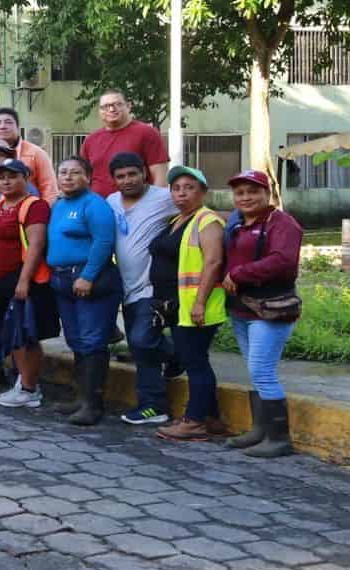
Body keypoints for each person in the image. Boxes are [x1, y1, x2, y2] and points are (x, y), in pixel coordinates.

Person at [220, 169, 302, 458]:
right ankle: (260, 431)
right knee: (255, 372)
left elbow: (283, 261)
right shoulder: (237, 222)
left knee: (262, 371)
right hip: (242, 309)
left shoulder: (283, 223)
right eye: (240, 192)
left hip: (270, 309)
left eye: (253, 191)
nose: (246, 197)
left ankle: (279, 439)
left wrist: (240, 273)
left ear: (268, 194)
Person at [152, 166, 229, 442]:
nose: (181, 193)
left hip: (197, 305)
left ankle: (194, 422)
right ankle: (211, 418)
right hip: (177, 304)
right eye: (176, 188)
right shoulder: (177, 220)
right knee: (194, 359)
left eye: (189, 187)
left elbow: (213, 262)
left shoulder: (207, 221)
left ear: (203, 192)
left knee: (194, 362)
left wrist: (199, 302)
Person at [46, 156, 121, 425]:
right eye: (63, 172)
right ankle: (80, 397)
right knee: (76, 340)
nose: (67, 177)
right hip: (62, 281)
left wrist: (88, 276)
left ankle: (93, 405)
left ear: (87, 176)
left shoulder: (94, 204)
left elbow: (104, 242)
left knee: (92, 341)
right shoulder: (59, 204)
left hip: (90, 281)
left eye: (75, 173)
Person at [0, 159, 59, 408]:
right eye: (1, 177)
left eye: (12, 176)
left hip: (21, 280)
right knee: (11, 335)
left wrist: (24, 281)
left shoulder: (34, 206)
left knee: (24, 335)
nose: (6, 181)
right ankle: (21, 382)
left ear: (26, 178)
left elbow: (36, 245)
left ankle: (29, 388)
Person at [107, 152, 177, 425]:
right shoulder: (111, 201)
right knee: (141, 349)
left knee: (141, 341)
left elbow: (196, 212)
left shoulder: (163, 197)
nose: (127, 180)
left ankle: (154, 402)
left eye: (132, 174)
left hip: (152, 287)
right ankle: (176, 359)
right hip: (127, 288)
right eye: (120, 176)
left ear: (144, 173)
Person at [82, 90, 169, 196]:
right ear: (99, 111)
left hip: (136, 207)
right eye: (105, 106)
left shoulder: (147, 133)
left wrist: (153, 206)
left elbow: (160, 177)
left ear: (128, 106)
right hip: (98, 208)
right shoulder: (90, 140)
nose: (111, 109)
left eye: (117, 104)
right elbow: (83, 177)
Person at [0, 107, 58, 203]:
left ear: (18, 127)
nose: (2, 126)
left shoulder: (36, 153)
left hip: (29, 211)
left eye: (8, 122)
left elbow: (49, 190)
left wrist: (43, 213)